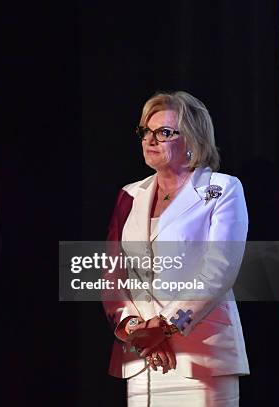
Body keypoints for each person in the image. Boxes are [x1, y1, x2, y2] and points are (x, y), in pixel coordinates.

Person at [104, 91, 249, 406]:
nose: (150, 140)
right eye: (146, 131)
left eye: (164, 132)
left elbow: (219, 270)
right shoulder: (130, 194)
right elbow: (112, 272)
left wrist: (165, 326)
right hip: (141, 357)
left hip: (202, 354)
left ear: (193, 140)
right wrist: (135, 328)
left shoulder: (223, 189)